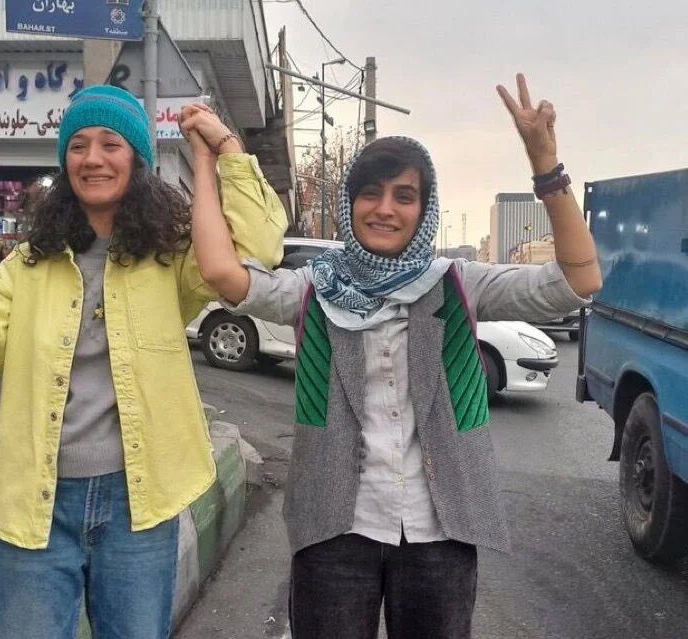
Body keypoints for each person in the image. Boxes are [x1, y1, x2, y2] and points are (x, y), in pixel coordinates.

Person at [184, 74, 602, 639]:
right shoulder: (316, 290)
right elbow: (219, 271)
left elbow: (578, 280)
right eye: (370, 194)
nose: (385, 209)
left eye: (404, 196)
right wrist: (211, 157)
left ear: (424, 210)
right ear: (349, 202)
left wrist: (545, 165)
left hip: (440, 534)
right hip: (333, 531)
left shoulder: (457, 284)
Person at [0, 84, 287, 639]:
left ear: (137, 158)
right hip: (36, 509)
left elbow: (256, 253)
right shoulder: (26, 267)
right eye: (78, 145)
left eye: (111, 143)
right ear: (65, 163)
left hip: (140, 505)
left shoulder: (171, 258)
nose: (93, 158)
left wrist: (228, 150)